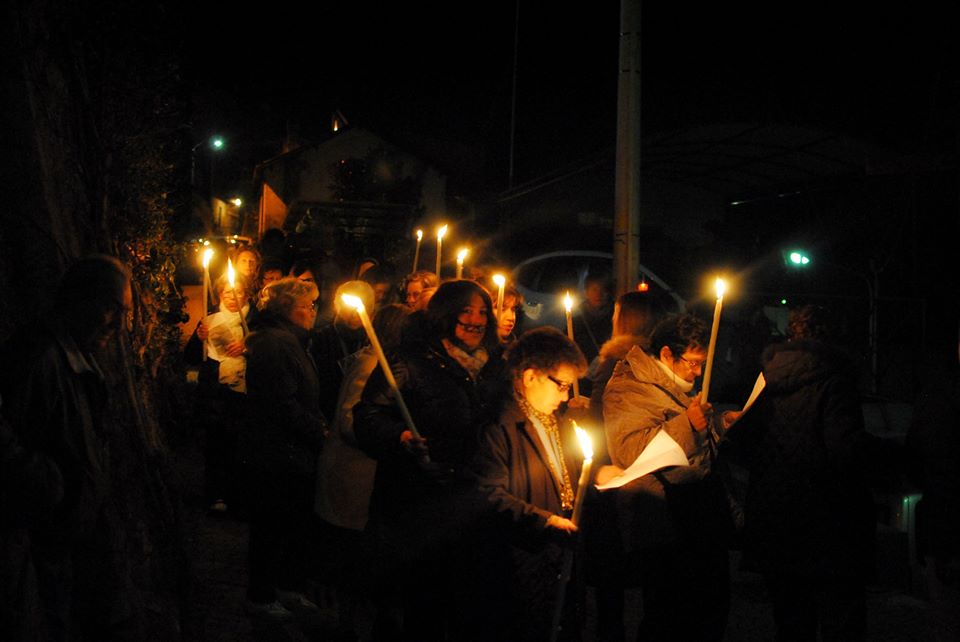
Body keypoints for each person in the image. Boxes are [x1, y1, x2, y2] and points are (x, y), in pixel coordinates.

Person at [724, 304, 901, 641]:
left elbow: (742, 442)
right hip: (830, 522)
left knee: (791, 623)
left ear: (793, 334)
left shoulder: (769, 377)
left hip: (777, 521)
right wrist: (895, 454)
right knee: (841, 621)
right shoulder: (835, 379)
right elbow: (845, 448)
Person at [354, 279, 509, 641]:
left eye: (482, 312)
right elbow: (368, 416)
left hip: (473, 496)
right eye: (466, 311)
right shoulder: (408, 360)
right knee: (418, 601)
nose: (476, 320)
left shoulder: (496, 364)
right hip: (418, 498)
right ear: (444, 314)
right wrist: (400, 436)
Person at [0, 254, 136, 640]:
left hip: (67, 549)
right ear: (78, 298)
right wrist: (48, 484)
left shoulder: (78, 359)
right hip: (37, 553)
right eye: (112, 309)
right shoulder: (39, 359)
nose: (119, 325)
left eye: (125, 313)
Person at [602, 312, 738, 641]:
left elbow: (694, 442)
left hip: (699, 518)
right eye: (692, 363)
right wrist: (686, 424)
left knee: (710, 611)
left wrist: (719, 424)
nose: (698, 372)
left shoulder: (671, 384)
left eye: (702, 364)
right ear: (666, 354)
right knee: (668, 617)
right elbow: (630, 452)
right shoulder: (629, 387)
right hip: (664, 521)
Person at [470, 326, 588, 641]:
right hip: (518, 565)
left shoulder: (555, 421)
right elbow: (488, 495)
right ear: (530, 376)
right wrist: (544, 521)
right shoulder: (499, 426)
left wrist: (600, 474)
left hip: (555, 561)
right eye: (561, 385)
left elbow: (565, 474)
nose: (565, 396)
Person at [315, 302, 409, 637]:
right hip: (355, 476)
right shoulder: (372, 364)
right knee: (353, 561)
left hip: (362, 476)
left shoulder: (382, 362)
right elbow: (349, 420)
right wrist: (392, 438)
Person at [238, 277, 328, 620]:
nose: (313, 312)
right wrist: (317, 431)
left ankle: (286, 587)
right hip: (278, 453)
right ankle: (260, 595)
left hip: (292, 451)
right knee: (271, 526)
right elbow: (282, 403)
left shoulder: (289, 341)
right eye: (307, 306)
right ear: (288, 309)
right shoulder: (276, 345)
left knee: (291, 525)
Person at [183, 273, 250, 514]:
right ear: (220, 294)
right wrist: (198, 338)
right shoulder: (209, 319)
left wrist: (247, 346)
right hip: (215, 395)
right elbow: (192, 357)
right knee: (215, 445)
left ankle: (238, 497)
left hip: (243, 393)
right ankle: (215, 495)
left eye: (238, 292)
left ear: (246, 294)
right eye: (227, 292)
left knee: (239, 446)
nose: (233, 297)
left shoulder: (254, 321)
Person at [310, 280, 374, 422]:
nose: (354, 315)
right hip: (326, 412)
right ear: (336, 305)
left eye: (360, 308)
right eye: (348, 308)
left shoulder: (373, 341)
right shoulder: (320, 339)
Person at [572, 272, 614, 367]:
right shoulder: (577, 319)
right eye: (594, 289)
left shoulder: (616, 317)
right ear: (586, 292)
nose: (599, 294)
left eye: (604, 290)